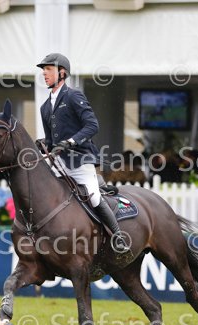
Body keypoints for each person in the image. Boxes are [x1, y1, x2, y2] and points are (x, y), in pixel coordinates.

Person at [36, 53, 129, 253]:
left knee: (93, 197)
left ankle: (118, 236)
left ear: (62, 73)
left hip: (80, 160)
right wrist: (43, 147)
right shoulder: (44, 108)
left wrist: (71, 141)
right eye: (43, 70)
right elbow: (51, 142)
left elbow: (92, 125)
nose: (44, 73)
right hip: (59, 164)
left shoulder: (73, 96)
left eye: (49, 69)